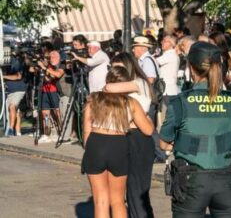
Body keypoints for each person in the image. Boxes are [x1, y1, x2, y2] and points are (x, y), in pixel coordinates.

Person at [159, 41, 231, 217]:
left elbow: (163, 143)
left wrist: (186, 144)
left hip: (191, 180)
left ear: (191, 67)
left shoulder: (181, 102)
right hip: (226, 179)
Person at [82, 66, 154, 218]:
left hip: (96, 143)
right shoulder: (131, 102)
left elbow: (86, 131)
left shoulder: (93, 100)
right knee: (118, 200)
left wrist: (90, 150)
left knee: (100, 201)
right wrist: (148, 118)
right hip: (118, 144)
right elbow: (148, 130)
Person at [104, 53, 156, 217]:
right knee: (132, 191)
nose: (115, 71)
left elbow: (108, 87)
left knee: (137, 190)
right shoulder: (133, 84)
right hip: (128, 136)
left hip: (138, 137)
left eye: (119, 68)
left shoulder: (139, 82)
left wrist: (112, 79)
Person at [31, 50, 65, 143]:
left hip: (53, 91)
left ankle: (61, 133)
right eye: (50, 57)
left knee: (57, 113)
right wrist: (39, 67)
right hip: (44, 91)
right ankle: (46, 134)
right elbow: (31, 70)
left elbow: (51, 78)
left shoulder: (56, 67)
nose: (50, 59)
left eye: (53, 57)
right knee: (45, 114)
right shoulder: (47, 66)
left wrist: (44, 68)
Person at [4, 50, 27, 136]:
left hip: (18, 90)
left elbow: (18, 76)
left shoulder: (15, 62)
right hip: (9, 91)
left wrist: (3, 76)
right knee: (15, 112)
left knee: (12, 107)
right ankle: (18, 133)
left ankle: (10, 129)